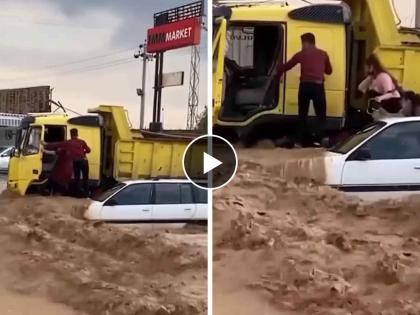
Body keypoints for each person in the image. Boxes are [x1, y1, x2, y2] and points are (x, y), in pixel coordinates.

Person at [276, 32, 333, 148]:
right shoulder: (323, 54)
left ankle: (298, 142)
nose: (302, 45)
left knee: (302, 115)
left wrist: (277, 71)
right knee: (321, 115)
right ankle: (323, 140)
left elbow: (287, 66)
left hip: (305, 87)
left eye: (302, 43)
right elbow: (329, 71)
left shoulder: (301, 54)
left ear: (306, 42)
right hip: (318, 87)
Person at [45, 128, 91, 197]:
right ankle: (87, 195)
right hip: (84, 161)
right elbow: (89, 150)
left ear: (71, 134)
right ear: (77, 134)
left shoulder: (68, 142)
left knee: (77, 179)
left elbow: (57, 144)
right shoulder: (82, 142)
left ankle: (77, 196)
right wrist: (82, 152)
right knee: (86, 179)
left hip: (77, 161)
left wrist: (46, 144)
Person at [358, 54, 402, 120]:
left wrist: (380, 98)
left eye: (367, 66)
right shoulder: (373, 78)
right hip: (377, 111)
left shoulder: (383, 77)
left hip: (388, 110)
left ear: (372, 66)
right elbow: (360, 88)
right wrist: (369, 77)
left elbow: (390, 93)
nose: (365, 68)